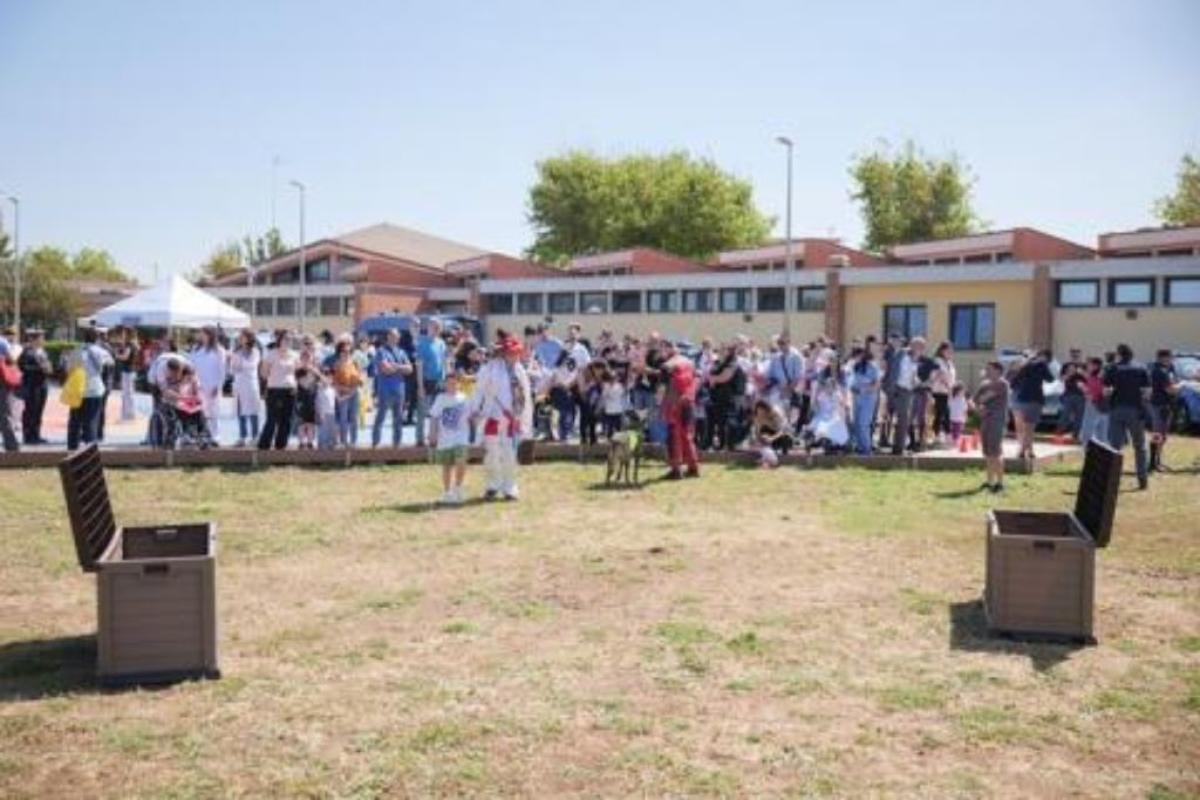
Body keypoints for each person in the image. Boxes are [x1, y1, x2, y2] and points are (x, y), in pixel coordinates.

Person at [470, 333, 531, 501]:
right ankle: (492, 485)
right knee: (492, 452)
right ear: (504, 353)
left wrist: (524, 419)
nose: (514, 356)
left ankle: (510, 487)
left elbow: (525, 396)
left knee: (510, 453)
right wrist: (474, 408)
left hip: (512, 419)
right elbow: (479, 390)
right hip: (494, 416)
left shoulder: (520, 370)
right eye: (511, 353)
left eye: (516, 353)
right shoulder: (490, 368)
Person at [1104, 343, 1151, 490]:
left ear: (1119, 354)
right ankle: (1142, 480)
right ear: (1132, 354)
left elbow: (1106, 391)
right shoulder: (1141, 368)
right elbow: (1147, 392)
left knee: (1114, 447)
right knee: (1140, 447)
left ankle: (1112, 481)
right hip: (1136, 410)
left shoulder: (1112, 368)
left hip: (1117, 410)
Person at [65, 328, 114, 451]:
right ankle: (89, 449)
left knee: (74, 421)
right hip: (94, 389)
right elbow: (111, 363)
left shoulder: (76, 351)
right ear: (97, 339)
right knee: (91, 421)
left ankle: (72, 448)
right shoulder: (101, 351)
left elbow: (68, 368)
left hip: (78, 389)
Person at [429, 371, 472, 505]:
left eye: (454, 383)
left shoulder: (465, 398)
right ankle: (447, 492)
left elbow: (472, 416)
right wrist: (432, 434)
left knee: (461, 461)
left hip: (461, 436)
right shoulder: (440, 398)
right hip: (445, 438)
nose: (451, 386)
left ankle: (458, 487)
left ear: (459, 384)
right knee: (447, 466)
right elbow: (434, 417)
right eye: (448, 383)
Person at [660, 341, 700, 479]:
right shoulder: (690, 363)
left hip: (675, 404)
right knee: (688, 436)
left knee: (674, 437)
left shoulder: (668, 365)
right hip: (689, 402)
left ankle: (676, 470)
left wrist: (663, 405)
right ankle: (693, 467)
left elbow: (666, 386)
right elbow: (697, 380)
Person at [257, 330, 299, 450]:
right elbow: (264, 373)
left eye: (290, 339)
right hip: (274, 389)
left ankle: (281, 445)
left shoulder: (294, 355)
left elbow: (297, 372)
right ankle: (264, 445)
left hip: (290, 390)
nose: (287, 341)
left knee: (287, 420)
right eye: (285, 339)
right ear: (279, 340)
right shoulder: (271, 354)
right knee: (272, 418)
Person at [973, 360, 1011, 492]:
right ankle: (989, 482)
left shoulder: (1002, 384)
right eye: (986, 368)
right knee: (988, 452)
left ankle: (1000, 483)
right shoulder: (985, 384)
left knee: (996, 452)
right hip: (986, 421)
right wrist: (978, 409)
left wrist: (980, 403)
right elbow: (974, 400)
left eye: (989, 369)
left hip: (997, 421)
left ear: (998, 371)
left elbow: (984, 399)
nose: (986, 371)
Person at [1010, 350, 1054, 459]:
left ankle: (1026, 450)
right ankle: (1026, 450)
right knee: (1029, 428)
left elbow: (1012, 383)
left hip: (1020, 399)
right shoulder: (1041, 365)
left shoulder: (1020, 366)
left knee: (1022, 428)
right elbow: (1050, 379)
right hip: (1034, 399)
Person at [372, 328, 412, 447]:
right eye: (393, 336)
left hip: (400, 389)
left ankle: (397, 444)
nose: (395, 338)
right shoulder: (381, 351)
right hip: (385, 390)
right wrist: (401, 368)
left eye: (397, 336)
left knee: (398, 418)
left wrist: (395, 366)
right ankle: (375, 443)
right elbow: (386, 370)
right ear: (388, 337)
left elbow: (410, 369)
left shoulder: (401, 352)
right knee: (381, 417)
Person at [414, 319, 447, 447]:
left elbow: (444, 362)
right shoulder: (421, 344)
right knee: (422, 412)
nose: (436, 329)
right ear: (428, 327)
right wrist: (420, 386)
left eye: (438, 327)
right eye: (434, 327)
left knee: (437, 412)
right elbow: (419, 366)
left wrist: (445, 380)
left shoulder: (441, 343)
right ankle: (419, 439)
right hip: (426, 381)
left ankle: (434, 438)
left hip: (439, 382)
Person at [190, 327, 227, 439]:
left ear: (210, 335)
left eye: (204, 334)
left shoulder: (219, 350)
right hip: (199, 385)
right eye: (201, 334)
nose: (201, 336)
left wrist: (218, 386)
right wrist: (193, 384)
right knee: (200, 411)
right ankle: (202, 434)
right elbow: (192, 367)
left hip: (213, 385)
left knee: (214, 412)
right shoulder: (196, 349)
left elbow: (222, 370)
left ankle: (215, 435)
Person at [17, 329, 52, 445]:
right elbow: (22, 367)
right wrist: (40, 369)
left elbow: (47, 365)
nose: (42, 340)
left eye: (42, 338)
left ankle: (36, 434)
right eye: (40, 338)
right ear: (33, 339)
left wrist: (47, 368)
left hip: (42, 385)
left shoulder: (42, 351)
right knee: (30, 411)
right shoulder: (27, 352)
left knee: (39, 411)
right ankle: (28, 436)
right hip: (32, 386)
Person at [229, 329, 262, 447]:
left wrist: (240, 364)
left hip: (251, 384)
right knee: (240, 411)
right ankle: (242, 437)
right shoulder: (237, 351)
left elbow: (251, 365)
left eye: (243, 336)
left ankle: (255, 436)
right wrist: (237, 365)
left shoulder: (255, 351)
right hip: (239, 384)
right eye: (240, 336)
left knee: (253, 411)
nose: (240, 338)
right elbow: (232, 369)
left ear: (249, 338)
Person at [330, 334, 364, 447]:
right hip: (342, 394)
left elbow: (360, 379)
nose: (346, 353)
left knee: (354, 418)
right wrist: (344, 390)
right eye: (344, 351)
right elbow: (333, 383)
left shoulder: (355, 363)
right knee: (343, 418)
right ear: (339, 352)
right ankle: (344, 441)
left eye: (349, 351)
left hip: (354, 393)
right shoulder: (337, 365)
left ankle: (353, 441)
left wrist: (354, 388)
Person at [1148, 349, 1178, 473]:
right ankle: (1152, 463)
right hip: (1160, 406)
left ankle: (1157, 461)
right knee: (1158, 434)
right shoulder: (1159, 371)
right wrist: (1181, 386)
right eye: (1170, 357)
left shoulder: (1168, 370)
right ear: (1162, 358)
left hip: (1165, 405)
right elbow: (1170, 389)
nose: (1171, 360)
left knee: (1162, 436)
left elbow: (1172, 383)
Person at [848, 346, 881, 455]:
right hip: (856, 398)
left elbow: (876, 384)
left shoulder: (873, 367)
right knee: (856, 423)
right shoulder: (854, 367)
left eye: (857, 355)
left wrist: (864, 389)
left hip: (868, 399)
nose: (856, 358)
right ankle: (859, 447)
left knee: (863, 424)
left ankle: (867, 449)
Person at [890, 338, 918, 455]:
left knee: (904, 420)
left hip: (908, 392)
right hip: (900, 390)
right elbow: (897, 374)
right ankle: (898, 449)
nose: (920, 351)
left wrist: (917, 382)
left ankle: (899, 447)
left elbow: (912, 377)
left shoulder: (913, 360)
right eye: (919, 347)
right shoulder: (902, 357)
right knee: (903, 419)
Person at [752, 399, 792, 468]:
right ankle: (767, 459)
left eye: (762, 412)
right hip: (769, 436)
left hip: (782, 436)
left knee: (786, 439)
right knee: (763, 438)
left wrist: (772, 438)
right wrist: (759, 439)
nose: (761, 414)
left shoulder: (777, 412)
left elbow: (784, 430)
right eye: (759, 412)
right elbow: (757, 432)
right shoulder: (757, 417)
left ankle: (771, 460)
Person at [294, 342, 320, 449]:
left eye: (308, 358)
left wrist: (314, 371)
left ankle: (310, 442)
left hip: (312, 399)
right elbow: (303, 383)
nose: (306, 360)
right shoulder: (298, 371)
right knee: (301, 423)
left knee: (311, 423)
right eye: (304, 358)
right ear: (301, 359)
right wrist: (309, 371)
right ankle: (301, 442)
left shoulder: (315, 370)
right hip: (301, 399)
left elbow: (322, 380)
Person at [930, 342, 956, 446]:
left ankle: (944, 437)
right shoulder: (937, 361)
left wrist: (951, 388)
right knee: (941, 413)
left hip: (946, 392)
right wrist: (948, 386)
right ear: (941, 351)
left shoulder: (950, 363)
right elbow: (939, 374)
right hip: (938, 391)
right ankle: (941, 436)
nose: (950, 352)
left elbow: (951, 378)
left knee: (944, 414)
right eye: (947, 350)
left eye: (951, 350)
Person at [1079, 357, 1109, 445]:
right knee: (1102, 435)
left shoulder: (1096, 377)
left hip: (1094, 405)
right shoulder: (1104, 375)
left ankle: (1088, 453)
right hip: (1105, 408)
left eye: (1089, 365)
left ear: (1095, 366)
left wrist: (1083, 388)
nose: (1088, 367)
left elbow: (1093, 392)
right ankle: (1103, 456)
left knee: (1087, 433)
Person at [113, 329, 138, 422]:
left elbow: (125, 357)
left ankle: (128, 414)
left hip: (128, 371)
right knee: (128, 393)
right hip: (131, 370)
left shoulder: (130, 345)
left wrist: (116, 354)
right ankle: (128, 414)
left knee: (127, 393)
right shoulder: (135, 345)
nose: (123, 336)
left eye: (124, 334)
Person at [0, 330, 19, 452]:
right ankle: (12, 447)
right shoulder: (2, 342)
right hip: (2, 383)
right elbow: (12, 359)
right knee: (5, 414)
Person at [315, 365, 338, 450]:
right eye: (326, 375)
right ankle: (321, 449)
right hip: (323, 413)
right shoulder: (319, 389)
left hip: (331, 413)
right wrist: (319, 413)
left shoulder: (332, 389)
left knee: (331, 431)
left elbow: (339, 399)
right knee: (322, 432)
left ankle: (331, 448)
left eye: (330, 375)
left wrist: (351, 393)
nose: (328, 377)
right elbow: (317, 402)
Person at [948, 383, 969, 447]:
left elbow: (965, 408)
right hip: (953, 417)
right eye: (961, 391)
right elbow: (949, 404)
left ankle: (956, 441)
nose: (962, 392)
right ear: (957, 391)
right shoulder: (953, 398)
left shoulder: (963, 399)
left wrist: (965, 416)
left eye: (963, 391)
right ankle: (954, 441)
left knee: (958, 430)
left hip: (960, 418)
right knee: (953, 430)